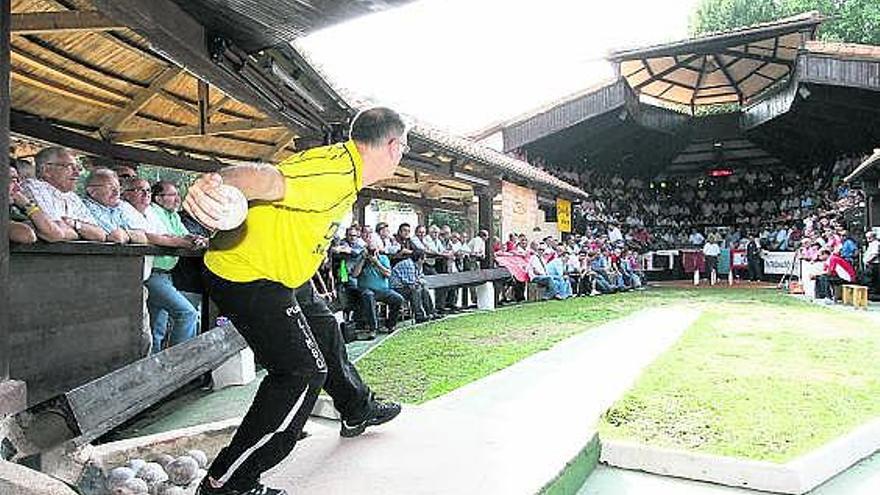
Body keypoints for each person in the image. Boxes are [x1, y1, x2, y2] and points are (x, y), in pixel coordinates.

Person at [184, 107, 405, 495]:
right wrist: (213, 186)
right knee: (301, 374)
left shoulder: (345, 168)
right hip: (248, 275)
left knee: (326, 331)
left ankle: (356, 409)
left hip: (285, 275)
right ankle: (228, 482)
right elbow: (266, 177)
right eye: (403, 147)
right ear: (393, 146)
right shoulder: (335, 172)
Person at [121, 178, 200, 353]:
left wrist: (192, 239)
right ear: (125, 194)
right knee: (187, 314)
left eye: (148, 191)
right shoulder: (125, 209)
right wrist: (184, 242)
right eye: (139, 191)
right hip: (149, 275)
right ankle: (179, 363)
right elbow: (154, 237)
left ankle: (156, 370)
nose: (145, 194)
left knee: (156, 329)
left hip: (161, 274)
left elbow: (169, 235)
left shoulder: (149, 212)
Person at [19, 147, 107, 242]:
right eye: (70, 167)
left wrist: (74, 224)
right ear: (46, 170)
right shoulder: (33, 187)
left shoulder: (73, 197)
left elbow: (100, 235)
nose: (77, 173)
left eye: (78, 168)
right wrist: (82, 232)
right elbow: (53, 230)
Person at [83, 168, 148, 244]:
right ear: (91, 191)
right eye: (111, 188)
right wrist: (131, 235)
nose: (117, 192)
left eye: (118, 188)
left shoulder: (120, 207)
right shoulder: (85, 208)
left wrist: (127, 234)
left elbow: (145, 234)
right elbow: (115, 237)